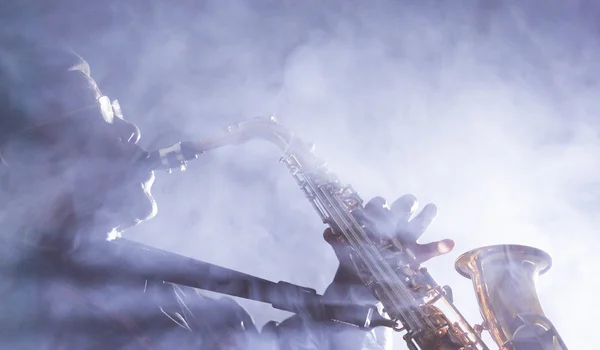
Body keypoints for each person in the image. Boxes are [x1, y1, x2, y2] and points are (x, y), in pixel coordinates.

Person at [0, 42, 455, 349]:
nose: (132, 129)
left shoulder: (145, 285)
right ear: (23, 173)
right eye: (97, 120)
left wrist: (356, 290)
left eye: (115, 111)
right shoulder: (30, 317)